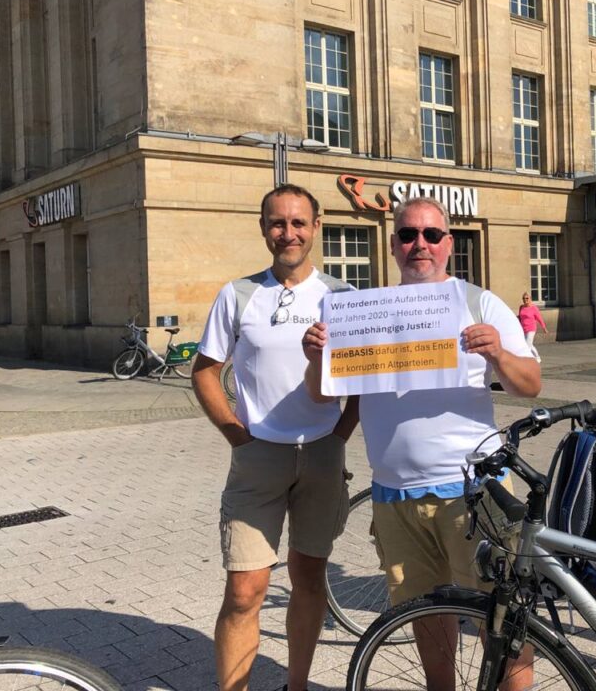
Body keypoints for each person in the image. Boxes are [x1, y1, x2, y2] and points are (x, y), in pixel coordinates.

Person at [303, 197, 541, 690]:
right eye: (408, 235)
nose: (420, 244)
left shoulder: (479, 302)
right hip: (395, 498)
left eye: (432, 234)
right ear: (393, 245)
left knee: (506, 627)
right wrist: (315, 357)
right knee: (429, 628)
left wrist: (497, 352)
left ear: (449, 243)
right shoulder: (365, 313)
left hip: (474, 495)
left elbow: (530, 383)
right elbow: (324, 393)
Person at [191, 184, 358, 691]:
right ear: (263, 228)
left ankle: (297, 685)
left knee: (309, 582)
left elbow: (362, 382)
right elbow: (205, 371)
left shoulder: (343, 298)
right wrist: (236, 434)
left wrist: (340, 435)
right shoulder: (239, 294)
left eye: (298, 222)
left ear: (316, 226)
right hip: (258, 457)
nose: (289, 232)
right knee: (245, 590)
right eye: (277, 222)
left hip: (322, 456)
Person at [518, 291, 549, 362]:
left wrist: (544, 328)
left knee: (527, 345)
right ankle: (537, 357)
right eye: (523, 298)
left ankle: (526, 360)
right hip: (523, 328)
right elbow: (520, 318)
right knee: (529, 344)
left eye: (527, 298)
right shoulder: (521, 307)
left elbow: (539, 318)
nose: (525, 300)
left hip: (531, 329)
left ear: (530, 299)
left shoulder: (534, 308)